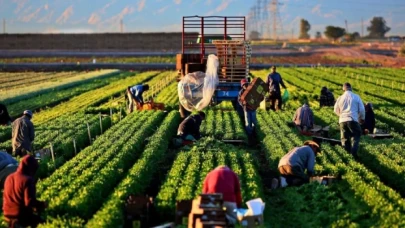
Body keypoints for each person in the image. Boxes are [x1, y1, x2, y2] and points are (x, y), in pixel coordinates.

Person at [3, 155, 47, 227]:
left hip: (7, 216)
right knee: (44, 222)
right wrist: (42, 204)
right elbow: (29, 202)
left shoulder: (9, 177)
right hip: (20, 216)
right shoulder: (27, 180)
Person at [334, 82, 365, 158]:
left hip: (342, 120)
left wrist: (341, 115)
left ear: (343, 89)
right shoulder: (356, 97)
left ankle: (347, 156)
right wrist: (362, 118)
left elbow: (335, 110)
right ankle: (353, 154)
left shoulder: (340, 98)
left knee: (344, 139)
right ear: (351, 88)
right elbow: (362, 109)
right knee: (356, 136)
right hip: (352, 119)